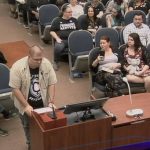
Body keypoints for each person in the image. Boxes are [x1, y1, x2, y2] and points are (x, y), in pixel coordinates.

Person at [9, 45, 57, 150]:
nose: (39, 62)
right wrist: (26, 106)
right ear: (29, 56)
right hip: (25, 104)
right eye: (36, 60)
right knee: (28, 126)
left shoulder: (46, 63)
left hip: (42, 103)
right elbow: (15, 88)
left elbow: (52, 83)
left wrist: (51, 101)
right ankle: (31, 145)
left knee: (45, 125)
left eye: (41, 59)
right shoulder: (17, 67)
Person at [50, 4, 78, 71]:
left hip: (73, 40)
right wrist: (57, 38)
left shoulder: (74, 20)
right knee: (58, 47)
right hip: (63, 40)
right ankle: (55, 61)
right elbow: (52, 31)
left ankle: (77, 63)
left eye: (71, 12)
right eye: (69, 12)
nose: (71, 13)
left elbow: (79, 30)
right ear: (64, 12)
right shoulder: (57, 20)